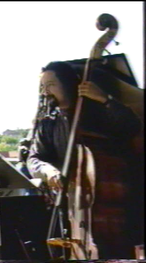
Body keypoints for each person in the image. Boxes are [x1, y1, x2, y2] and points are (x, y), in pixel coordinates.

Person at [27, 61, 142, 259]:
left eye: (51, 85)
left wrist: (106, 100)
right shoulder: (48, 123)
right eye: (43, 87)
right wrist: (48, 171)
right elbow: (35, 157)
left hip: (112, 210)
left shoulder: (97, 111)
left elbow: (131, 127)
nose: (46, 92)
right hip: (72, 207)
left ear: (69, 84)